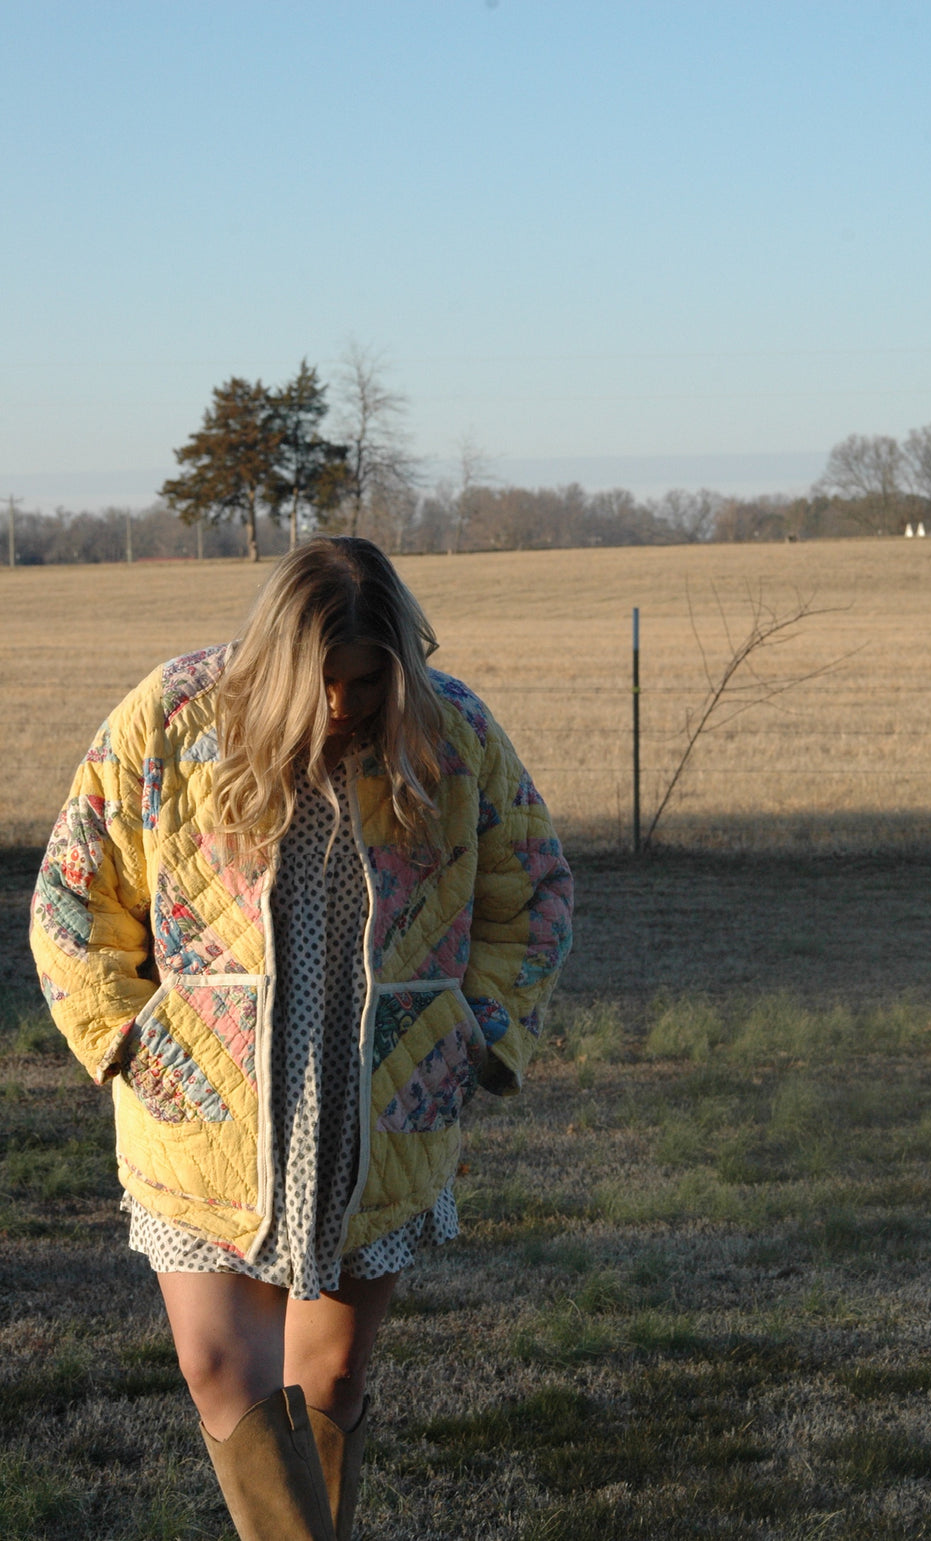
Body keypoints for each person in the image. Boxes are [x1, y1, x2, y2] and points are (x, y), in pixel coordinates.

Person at [30, 536, 573, 1541]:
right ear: (273, 661)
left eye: (367, 680)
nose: (342, 705)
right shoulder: (175, 717)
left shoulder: (448, 735)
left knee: (328, 1377)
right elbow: (74, 891)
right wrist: (126, 1035)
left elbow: (532, 890)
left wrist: (478, 1030)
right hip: (200, 1103)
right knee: (219, 1366)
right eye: (322, 681)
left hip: (379, 1109)